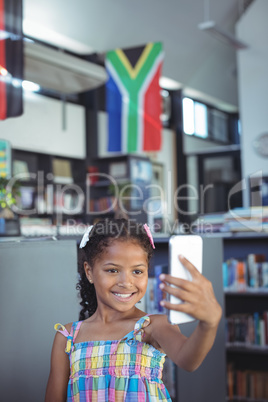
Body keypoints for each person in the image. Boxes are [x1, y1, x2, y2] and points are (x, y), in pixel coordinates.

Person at [45, 218, 222, 402]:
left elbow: (189, 359)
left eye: (137, 272)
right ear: (89, 272)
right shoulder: (68, 338)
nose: (126, 282)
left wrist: (209, 324)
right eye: (113, 270)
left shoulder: (152, 326)